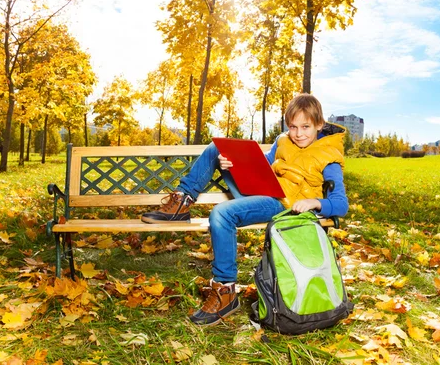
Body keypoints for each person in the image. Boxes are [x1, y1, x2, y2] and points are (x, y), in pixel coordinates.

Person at [141, 93, 349, 326]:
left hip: (283, 204)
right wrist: (231, 164)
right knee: (216, 149)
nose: (298, 133)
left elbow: (341, 204)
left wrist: (315, 202)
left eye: (305, 126)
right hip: (264, 188)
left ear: (319, 125)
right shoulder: (283, 141)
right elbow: (263, 165)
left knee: (221, 213)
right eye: (293, 127)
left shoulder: (328, 155)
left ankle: (226, 290)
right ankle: (183, 201)